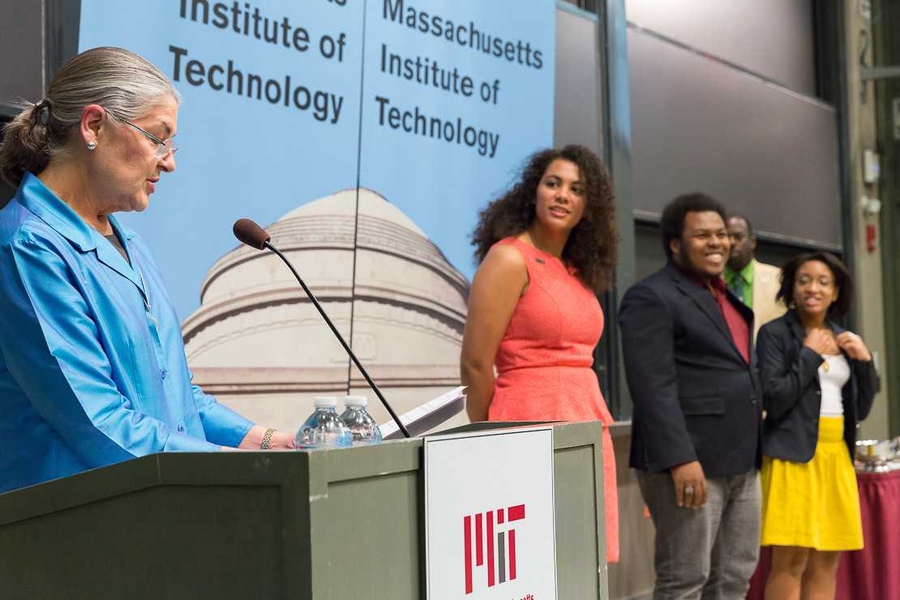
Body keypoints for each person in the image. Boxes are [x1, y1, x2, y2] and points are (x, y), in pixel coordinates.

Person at [0, 47, 294, 495]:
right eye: (158, 137)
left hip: (147, 515)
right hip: (66, 530)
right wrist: (236, 469)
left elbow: (179, 399)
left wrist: (269, 442)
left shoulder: (130, 244)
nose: (169, 161)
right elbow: (98, 423)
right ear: (94, 125)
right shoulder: (26, 246)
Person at [459, 145, 619, 562]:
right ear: (534, 192)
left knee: (583, 564)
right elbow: (476, 364)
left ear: (589, 207)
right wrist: (492, 439)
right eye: (553, 183)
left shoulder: (575, 271)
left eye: (577, 189)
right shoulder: (510, 257)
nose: (563, 194)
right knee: (535, 563)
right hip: (525, 426)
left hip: (586, 426)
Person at [618, 193, 762, 600]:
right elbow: (651, 386)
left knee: (734, 578)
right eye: (702, 235)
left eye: (721, 234)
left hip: (743, 461)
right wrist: (681, 458)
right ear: (675, 244)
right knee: (685, 580)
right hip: (688, 462)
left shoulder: (724, 296)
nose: (717, 242)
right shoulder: (652, 296)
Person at [757, 252, 878, 600]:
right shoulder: (775, 335)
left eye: (824, 282)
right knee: (790, 562)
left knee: (827, 561)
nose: (814, 289)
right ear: (791, 289)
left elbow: (863, 408)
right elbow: (774, 399)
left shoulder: (842, 337)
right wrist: (809, 355)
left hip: (835, 456)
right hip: (791, 456)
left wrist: (865, 362)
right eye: (804, 280)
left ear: (836, 292)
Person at [723, 214, 785, 337]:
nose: (731, 242)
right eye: (725, 237)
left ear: (752, 242)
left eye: (737, 237)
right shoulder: (708, 282)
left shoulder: (779, 279)